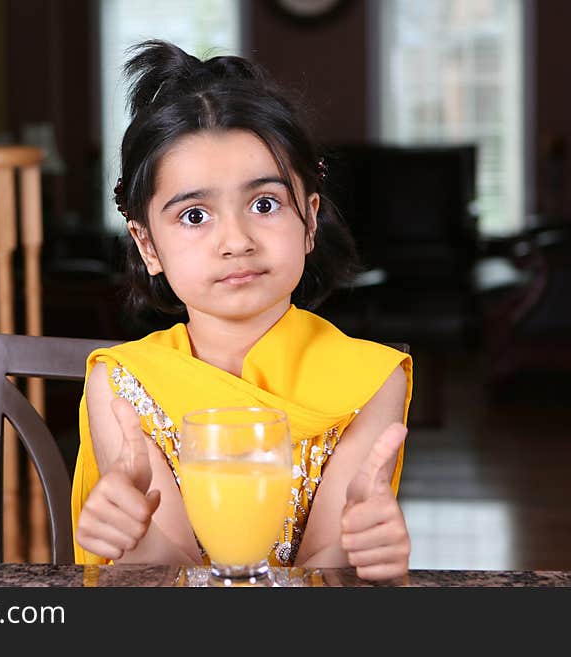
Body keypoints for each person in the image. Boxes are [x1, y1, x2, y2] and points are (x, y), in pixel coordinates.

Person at [71, 40, 413, 581]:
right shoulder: (122, 385)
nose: (236, 241)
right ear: (147, 245)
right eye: (194, 215)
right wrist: (132, 539)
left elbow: (325, 566)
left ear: (310, 219)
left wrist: (366, 557)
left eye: (264, 204)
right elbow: (170, 575)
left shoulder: (372, 380)